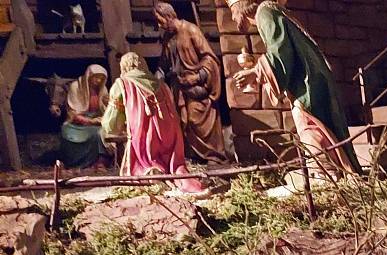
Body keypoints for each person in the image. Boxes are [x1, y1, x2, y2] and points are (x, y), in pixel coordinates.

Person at [227, 0, 358, 180]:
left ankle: (326, 174)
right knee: (317, 125)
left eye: (232, 10)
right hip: (311, 79)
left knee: (309, 126)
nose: (232, 17)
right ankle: (331, 171)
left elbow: (281, 53)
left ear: (240, 7)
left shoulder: (265, 13)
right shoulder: (271, 11)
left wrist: (254, 73)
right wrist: (258, 74)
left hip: (307, 84)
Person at [101, 52, 205, 194]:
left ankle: (150, 170)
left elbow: (111, 123)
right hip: (171, 134)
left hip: (144, 136)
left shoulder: (122, 84)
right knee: (171, 163)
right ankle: (166, 170)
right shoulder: (162, 85)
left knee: (146, 160)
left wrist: (115, 127)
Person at [154, 2, 227, 163]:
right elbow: (164, 64)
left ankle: (214, 156)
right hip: (178, 87)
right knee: (182, 122)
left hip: (196, 86)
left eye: (160, 20)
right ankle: (192, 156)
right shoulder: (168, 37)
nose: (159, 25)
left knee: (195, 118)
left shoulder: (191, 30)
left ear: (169, 16)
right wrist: (156, 78)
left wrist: (198, 77)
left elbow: (210, 59)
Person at [59, 64, 111, 168]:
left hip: (96, 121)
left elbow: (105, 110)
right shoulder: (76, 87)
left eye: (101, 79)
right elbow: (73, 112)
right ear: (89, 76)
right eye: (96, 77)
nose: (98, 81)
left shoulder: (102, 89)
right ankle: (78, 162)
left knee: (101, 133)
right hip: (76, 124)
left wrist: (103, 115)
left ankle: (100, 161)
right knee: (94, 133)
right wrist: (87, 120)